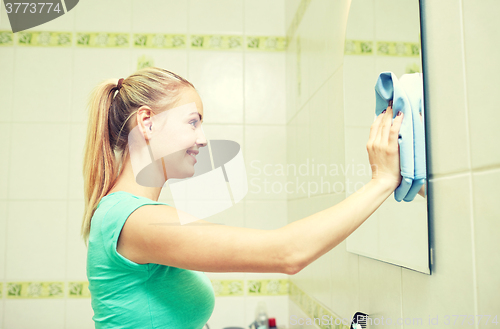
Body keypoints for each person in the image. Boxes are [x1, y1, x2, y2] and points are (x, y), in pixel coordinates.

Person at [81, 66, 404, 328]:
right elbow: (288, 253)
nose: (203, 139)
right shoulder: (137, 220)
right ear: (147, 123)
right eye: (193, 122)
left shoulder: (131, 213)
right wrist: (382, 180)